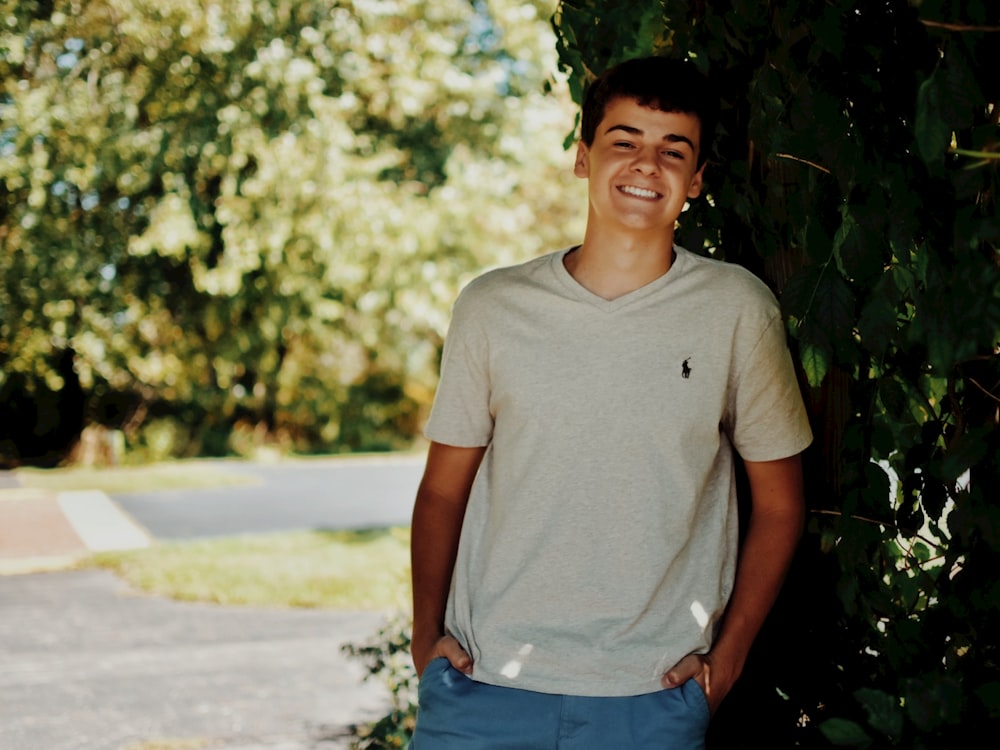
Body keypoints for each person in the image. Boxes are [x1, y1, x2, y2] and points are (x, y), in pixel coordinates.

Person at [409, 56, 813, 749]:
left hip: (650, 699)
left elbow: (779, 505)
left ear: (697, 180)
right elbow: (443, 491)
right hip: (483, 687)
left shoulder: (738, 310)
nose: (645, 165)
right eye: (624, 140)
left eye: (672, 150)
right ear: (582, 156)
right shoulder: (493, 307)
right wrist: (425, 644)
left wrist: (730, 660)